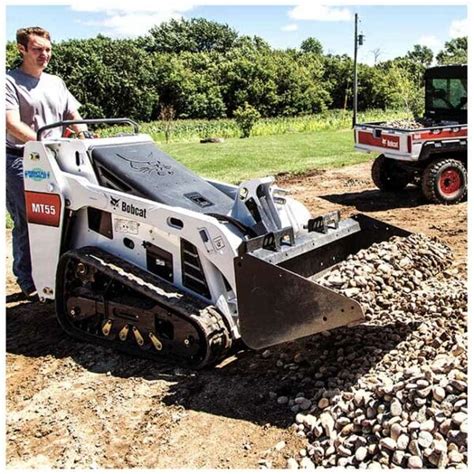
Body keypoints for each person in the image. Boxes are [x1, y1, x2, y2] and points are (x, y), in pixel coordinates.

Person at [6, 26, 89, 300]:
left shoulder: (55, 82)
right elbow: (12, 124)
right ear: (22, 49)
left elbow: (72, 113)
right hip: (23, 160)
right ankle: (28, 279)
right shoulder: (9, 82)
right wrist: (43, 143)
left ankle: (61, 273)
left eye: (48, 50)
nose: (45, 55)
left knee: (69, 217)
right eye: (38, 49)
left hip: (59, 157)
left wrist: (84, 134)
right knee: (30, 219)